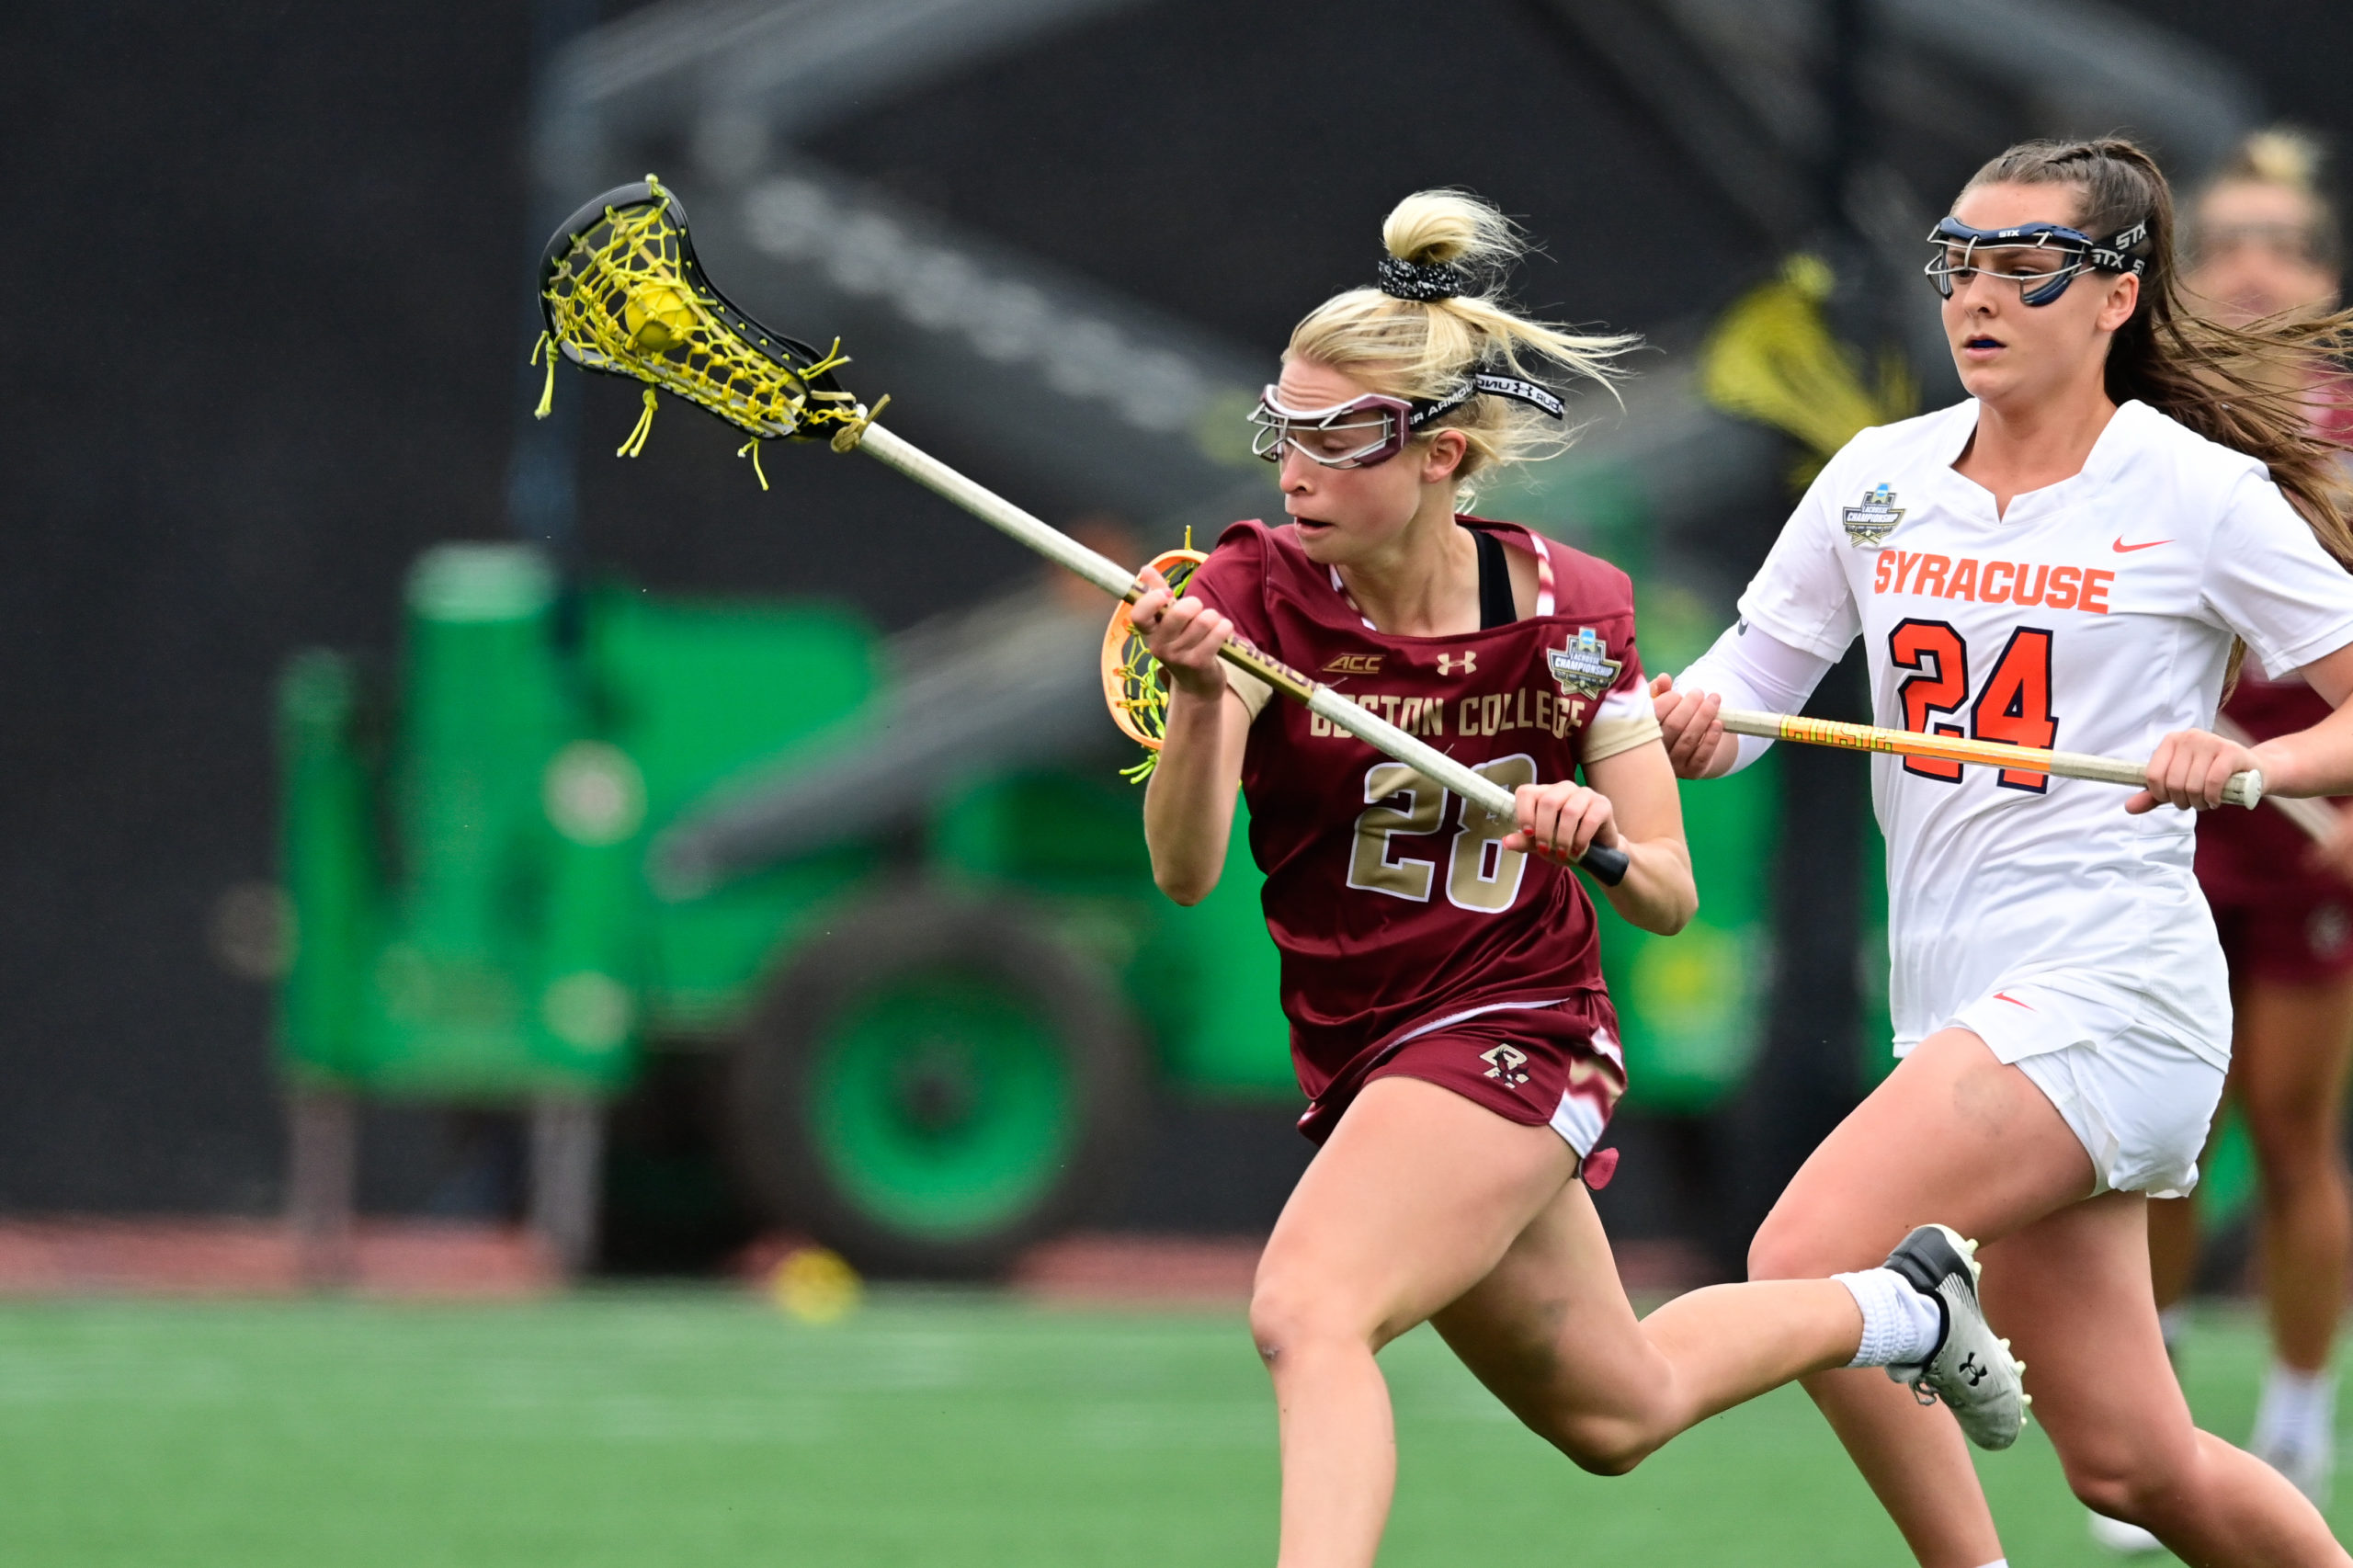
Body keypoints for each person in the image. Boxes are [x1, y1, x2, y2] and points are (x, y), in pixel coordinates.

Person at [1128, 188, 2020, 1568]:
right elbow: (1187, 873)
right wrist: (1199, 698)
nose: (1295, 470)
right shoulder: (1251, 598)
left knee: (1307, 1308)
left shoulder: (1573, 617)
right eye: (1280, 429)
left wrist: (1588, 831)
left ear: (1444, 452)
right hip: (1364, 1049)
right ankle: (1902, 1310)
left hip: (1519, 1024)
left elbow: (1665, 887)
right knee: (1622, 1406)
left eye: (1337, 436)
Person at [1654, 136, 2353, 1566]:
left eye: (2024, 267)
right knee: (2132, 1465)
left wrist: (2252, 760)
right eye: (1957, 263)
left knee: (1808, 1254)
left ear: (2117, 295)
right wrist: (1676, 715)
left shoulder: (2195, 489)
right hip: (1960, 1009)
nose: (1978, 295)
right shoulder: (1879, 477)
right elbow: (1747, 695)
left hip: (2115, 993)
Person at [2128, 129, 2353, 1529]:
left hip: (2310, 823)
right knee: (2163, 1132)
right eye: (2224, 244)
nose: (2255, 267)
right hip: (2162, 804)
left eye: (2284, 241)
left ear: (2326, 272)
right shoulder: (2141, 422)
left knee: (2289, 1122)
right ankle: (2145, 1408)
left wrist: (2331, 788)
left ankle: (2293, 1413)